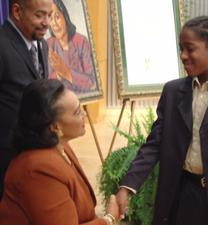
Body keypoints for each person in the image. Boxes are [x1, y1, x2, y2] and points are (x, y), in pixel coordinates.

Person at [116, 16, 208, 225]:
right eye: (181, 48)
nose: (183, 56)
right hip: (179, 195)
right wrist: (127, 186)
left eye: (190, 49)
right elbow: (154, 143)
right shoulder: (173, 92)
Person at [0, 79, 119, 225]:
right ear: (55, 127)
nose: (84, 115)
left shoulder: (60, 146)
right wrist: (109, 219)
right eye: (77, 112)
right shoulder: (39, 170)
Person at [0, 0, 52, 199]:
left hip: (33, 157)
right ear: (17, 11)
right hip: (5, 160)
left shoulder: (43, 45)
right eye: (39, 15)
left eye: (49, 15)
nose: (46, 22)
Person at [47, 0, 96, 94]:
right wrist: (58, 74)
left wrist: (67, 72)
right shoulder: (48, 45)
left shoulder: (81, 42)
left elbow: (92, 82)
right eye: (50, 18)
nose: (54, 23)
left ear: (65, 17)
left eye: (57, 17)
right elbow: (45, 84)